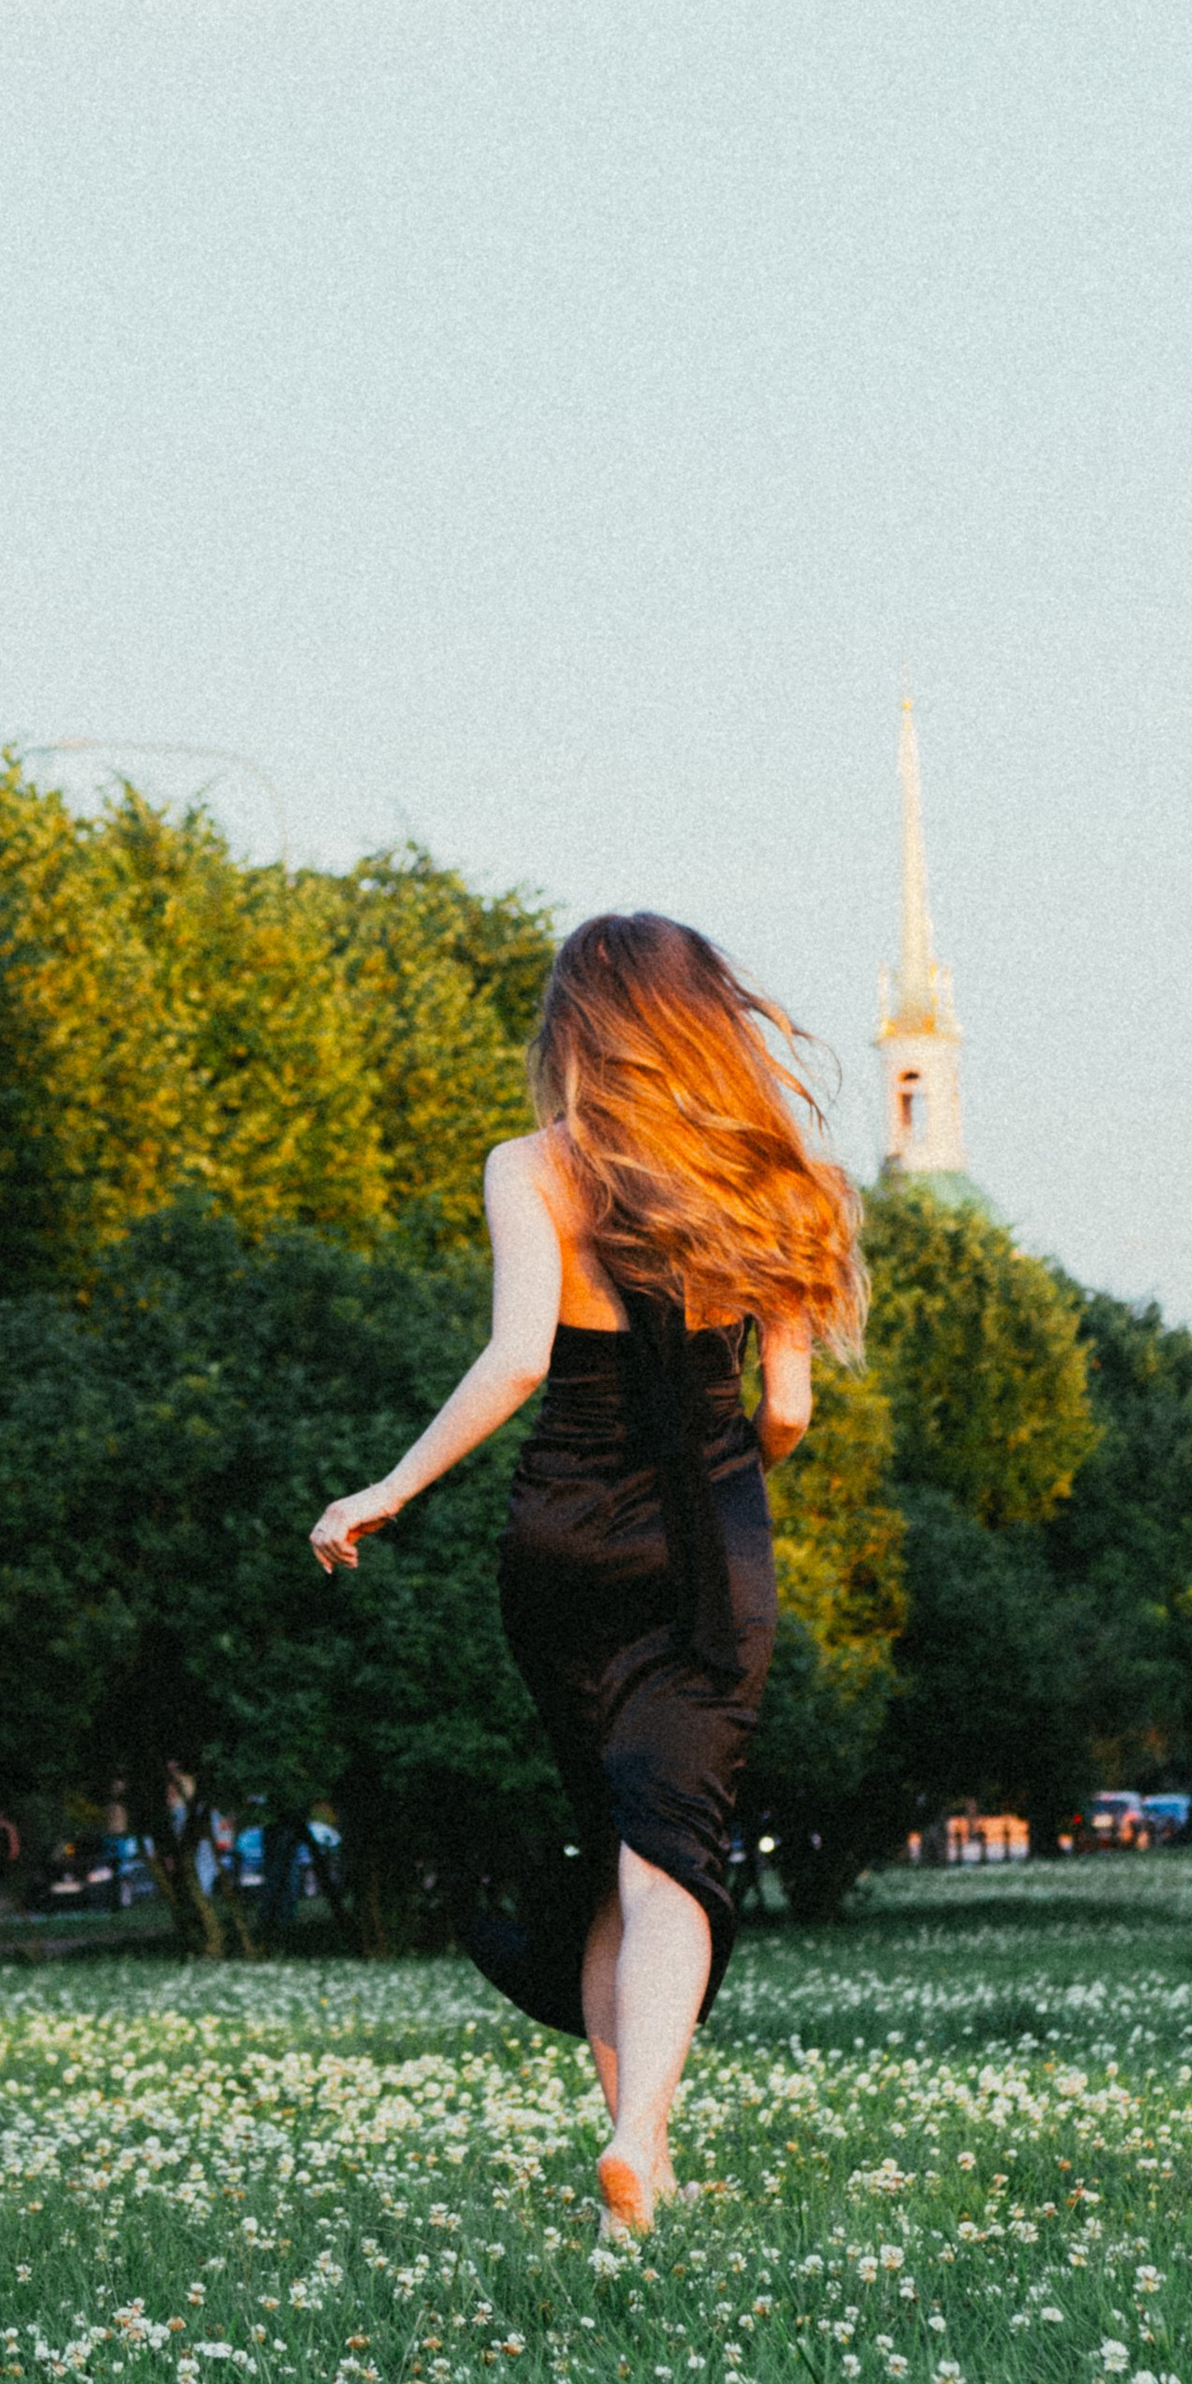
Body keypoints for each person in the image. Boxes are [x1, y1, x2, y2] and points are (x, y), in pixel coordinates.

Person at [312, 913, 864, 2237]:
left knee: (620, 1845)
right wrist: (731, 1472)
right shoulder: (788, 1184)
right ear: (704, 1023)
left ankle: (637, 2184)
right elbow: (784, 1415)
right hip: (707, 1550)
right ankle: (639, 2135)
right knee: (674, 1852)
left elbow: (514, 1361)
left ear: (579, 1029)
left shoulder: (532, 1169)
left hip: (558, 1543)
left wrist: (387, 1487)